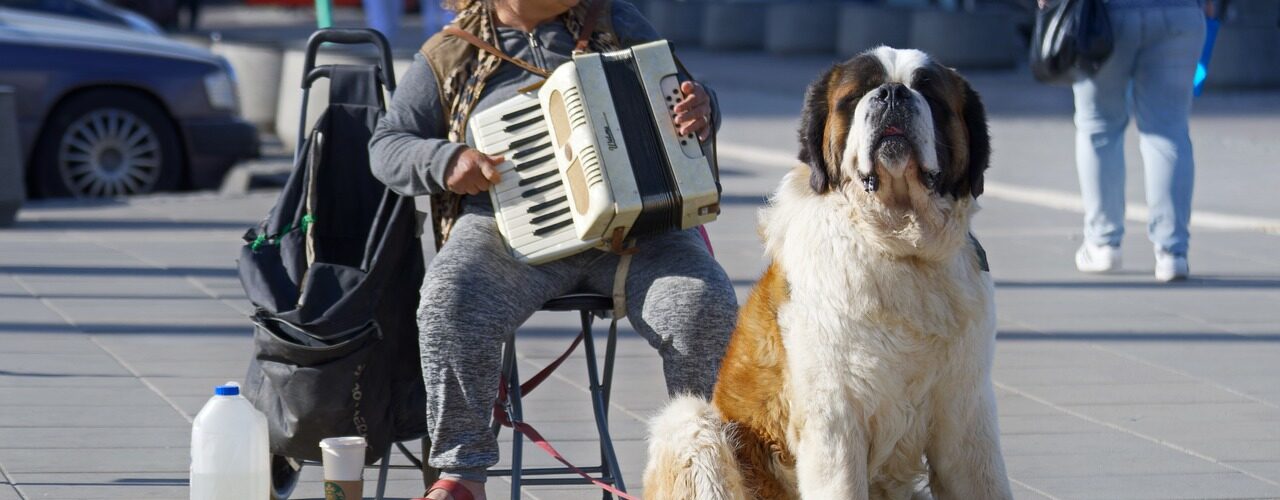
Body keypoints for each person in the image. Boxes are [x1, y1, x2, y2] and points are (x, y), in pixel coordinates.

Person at [367, 0, 738, 498]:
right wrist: (446, 159)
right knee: (448, 300)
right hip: (507, 231)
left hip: (637, 232)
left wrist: (703, 107)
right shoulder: (451, 51)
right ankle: (461, 474)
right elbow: (387, 144)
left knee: (702, 301)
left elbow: (686, 94)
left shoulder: (617, 22)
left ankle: (706, 471)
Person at [1042, 0, 1209, 281]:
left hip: (1104, 14)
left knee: (1098, 128)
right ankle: (1172, 253)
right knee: (1168, 130)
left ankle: (1103, 243)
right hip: (1180, 13)